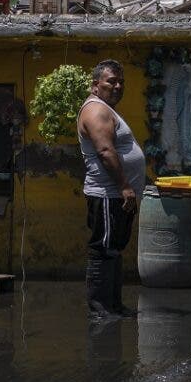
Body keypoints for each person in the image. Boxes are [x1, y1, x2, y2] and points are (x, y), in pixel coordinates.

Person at [77, 59, 146, 317]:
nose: (117, 86)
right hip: (108, 194)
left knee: (114, 249)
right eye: (111, 82)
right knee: (103, 249)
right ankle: (100, 310)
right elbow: (105, 151)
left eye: (121, 82)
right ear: (96, 85)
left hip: (117, 195)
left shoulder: (106, 109)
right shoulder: (96, 110)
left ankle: (113, 306)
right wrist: (125, 186)